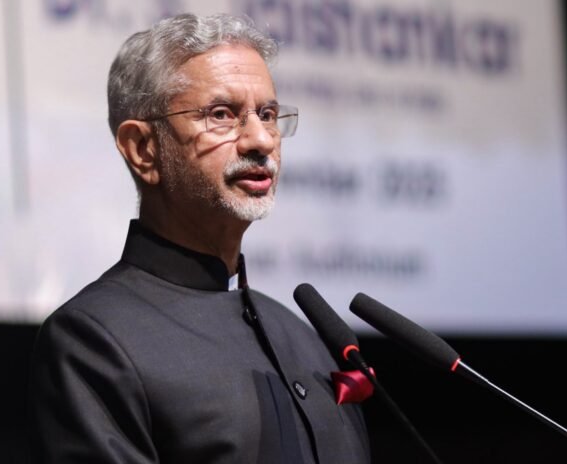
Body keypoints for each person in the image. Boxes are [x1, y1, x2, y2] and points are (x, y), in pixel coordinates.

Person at [28, 13, 370, 464]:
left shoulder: (303, 339)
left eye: (268, 115)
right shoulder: (94, 341)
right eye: (222, 114)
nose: (260, 140)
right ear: (143, 149)